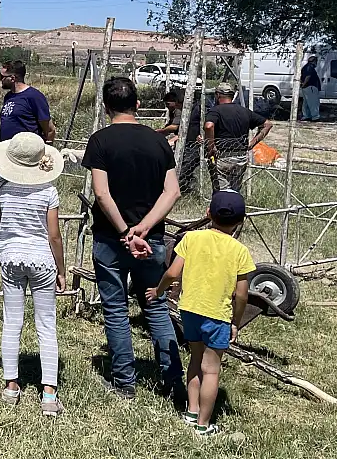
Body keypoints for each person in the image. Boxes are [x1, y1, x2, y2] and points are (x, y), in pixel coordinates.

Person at [81, 77, 183, 400]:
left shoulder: (99, 141)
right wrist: (144, 227)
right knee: (156, 307)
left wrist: (126, 232)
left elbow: (101, 193)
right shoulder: (159, 142)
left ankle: (125, 381)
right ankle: (173, 381)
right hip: (151, 240)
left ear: (106, 106)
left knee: (115, 308)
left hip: (111, 240)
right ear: (138, 105)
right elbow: (173, 192)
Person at [147, 190, 254, 437]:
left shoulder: (191, 239)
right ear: (240, 221)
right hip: (217, 314)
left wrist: (159, 290)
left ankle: (191, 411)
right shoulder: (240, 251)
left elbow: (173, 273)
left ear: (208, 214)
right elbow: (242, 295)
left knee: (195, 360)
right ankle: (203, 425)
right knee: (212, 369)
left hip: (189, 310)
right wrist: (235, 322)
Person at [0, 132, 67, 417]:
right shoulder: (48, 192)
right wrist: (61, 269)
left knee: (12, 321)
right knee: (46, 324)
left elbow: (1, 224)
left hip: (10, 258)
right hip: (42, 260)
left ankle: (11, 386)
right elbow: (54, 236)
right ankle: (48, 394)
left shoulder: (1, 191)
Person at [0, 60, 56, 262]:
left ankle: (26, 245)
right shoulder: (9, 97)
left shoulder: (34, 97)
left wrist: (44, 153)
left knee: (25, 202)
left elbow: (49, 129)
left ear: (13, 77)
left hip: (25, 160)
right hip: (4, 158)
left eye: (2, 76)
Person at [205, 83, 273, 193]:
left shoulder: (215, 111)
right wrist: (252, 143)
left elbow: (209, 126)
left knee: (222, 194)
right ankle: (234, 208)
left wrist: (211, 147)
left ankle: (222, 209)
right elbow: (268, 124)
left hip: (222, 157)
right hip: (240, 157)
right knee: (234, 191)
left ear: (218, 95)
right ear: (233, 96)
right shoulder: (244, 111)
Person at [159, 88, 203, 194]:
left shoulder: (198, 109)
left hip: (195, 145)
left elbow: (175, 128)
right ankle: (186, 189)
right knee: (182, 168)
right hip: (186, 144)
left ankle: (177, 191)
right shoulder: (185, 111)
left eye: (170, 104)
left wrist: (203, 135)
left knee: (182, 169)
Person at [300, 55, 322, 121]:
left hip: (306, 87)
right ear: (314, 61)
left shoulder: (305, 67)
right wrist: (304, 84)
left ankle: (306, 116)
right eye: (316, 61)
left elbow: (302, 77)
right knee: (313, 102)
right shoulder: (310, 67)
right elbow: (308, 77)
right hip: (311, 87)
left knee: (306, 103)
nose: (317, 63)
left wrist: (302, 85)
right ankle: (315, 117)